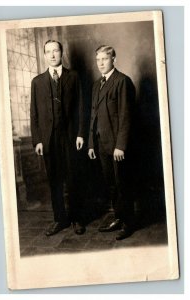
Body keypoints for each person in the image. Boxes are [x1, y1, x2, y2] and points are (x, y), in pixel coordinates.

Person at [30, 40, 85, 236]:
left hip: (70, 138)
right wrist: (37, 140)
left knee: (73, 179)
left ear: (62, 53)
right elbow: (34, 113)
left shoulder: (74, 77)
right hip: (48, 139)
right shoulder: (37, 82)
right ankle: (60, 219)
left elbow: (81, 108)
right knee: (54, 180)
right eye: (48, 52)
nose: (52, 55)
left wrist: (80, 134)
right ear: (44, 55)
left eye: (56, 51)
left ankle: (77, 218)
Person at [88, 45, 136, 240]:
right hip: (101, 144)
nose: (100, 63)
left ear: (113, 59)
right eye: (98, 60)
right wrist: (91, 143)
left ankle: (129, 223)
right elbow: (93, 116)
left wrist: (121, 145)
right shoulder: (96, 84)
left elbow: (126, 116)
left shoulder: (122, 81)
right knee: (112, 185)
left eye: (104, 59)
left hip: (117, 146)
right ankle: (118, 217)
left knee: (123, 183)